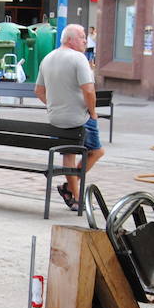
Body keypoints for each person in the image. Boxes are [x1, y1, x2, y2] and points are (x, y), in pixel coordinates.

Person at [35, 22, 105, 213]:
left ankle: (71, 191)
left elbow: (38, 91)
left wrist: (54, 104)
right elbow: (89, 91)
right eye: (82, 37)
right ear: (71, 40)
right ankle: (75, 195)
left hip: (55, 119)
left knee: (69, 155)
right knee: (97, 152)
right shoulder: (79, 58)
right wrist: (93, 112)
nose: (85, 40)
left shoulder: (47, 59)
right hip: (79, 118)